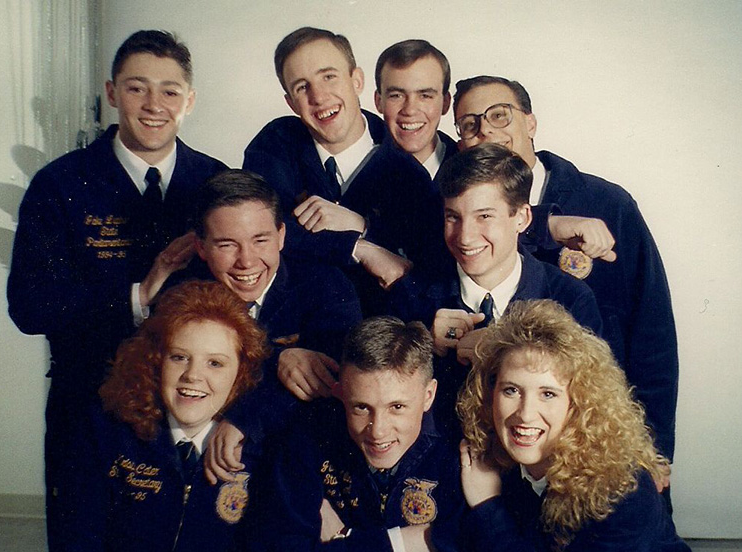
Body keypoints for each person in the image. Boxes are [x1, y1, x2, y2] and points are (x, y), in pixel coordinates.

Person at [6, 29, 227, 547]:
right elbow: (28, 306)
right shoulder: (60, 184)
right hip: (88, 401)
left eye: (170, 91)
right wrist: (135, 297)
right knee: (82, 541)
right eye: (136, 88)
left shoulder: (215, 181)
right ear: (111, 93)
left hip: (192, 410)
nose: (154, 105)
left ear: (189, 100)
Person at [452, 75, 679, 468]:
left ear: (531, 123)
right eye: (469, 123)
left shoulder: (606, 203)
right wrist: (549, 224)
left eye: (500, 115)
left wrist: (653, 447)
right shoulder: (461, 215)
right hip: (498, 442)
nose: (485, 129)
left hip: (597, 438)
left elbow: (652, 330)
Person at [146, 170, 362, 483]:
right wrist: (279, 359)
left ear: (282, 237)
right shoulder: (182, 293)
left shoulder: (327, 286)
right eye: (226, 245)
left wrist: (247, 417)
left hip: (298, 462)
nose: (246, 261)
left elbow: (331, 384)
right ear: (201, 247)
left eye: (260, 240)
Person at [390, 143, 602, 439]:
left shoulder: (570, 299)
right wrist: (422, 342)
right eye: (453, 217)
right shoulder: (410, 295)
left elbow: (589, 410)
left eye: (484, 216)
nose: (465, 237)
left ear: (522, 218)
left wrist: (506, 350)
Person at [456, 299, 692, 552]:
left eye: (548, 394)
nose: (525, 413)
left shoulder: (621, 491)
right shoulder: (494, 460)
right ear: (490, 394)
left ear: (578, 403)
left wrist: (488, 507)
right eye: (511, 390)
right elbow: (454, 539)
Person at [50, 280, 269, 552]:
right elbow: (77, 540)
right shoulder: (105, 431)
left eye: (215, 363)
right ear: (156, 360)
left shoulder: (260, 450)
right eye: (179, 357)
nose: (193, 375)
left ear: (241, 373)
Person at [243, 27, 444, 314]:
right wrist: (359, 247)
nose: (319, 97)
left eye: (329, 76)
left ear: (357, 80)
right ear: (289, 102)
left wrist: (363, 225)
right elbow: (258, 232)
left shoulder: (408, 173)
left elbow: (411, 271)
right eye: (302, 87)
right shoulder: (276, 143)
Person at [258, 316, 464, 552]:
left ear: (428, 395)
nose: (377, 431)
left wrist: (344, 538)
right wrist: (406, 544)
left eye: (397, 407)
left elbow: (468, 548)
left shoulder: (459, 448)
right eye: (361, 408)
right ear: (342, 393)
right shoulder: (309, 437)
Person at [374, 39, 457, 182]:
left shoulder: (467, 168)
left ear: (445, 102)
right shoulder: (361, 169)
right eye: (396, 96)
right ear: (378, 101)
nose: (410, 110)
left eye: (425, 96)